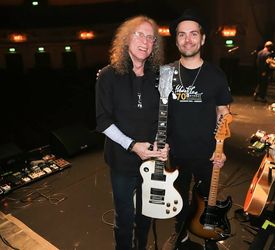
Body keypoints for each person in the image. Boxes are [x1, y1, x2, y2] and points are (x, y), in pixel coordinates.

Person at [95, 15, 169, 250]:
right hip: (122, 160)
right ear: (126, 38)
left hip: (152, 160)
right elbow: (103, 121)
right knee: (124, 219)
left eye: (150, 37)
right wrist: (133, 145)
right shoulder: (107, 76)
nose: (145, 41)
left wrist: (166, 145)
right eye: (139, 34)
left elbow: (167, 117)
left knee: (146, 216)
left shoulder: (161, 75)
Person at [162, 9, 233, 250]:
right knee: (178, 200)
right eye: (182, 35)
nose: (188, 39)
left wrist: (220, 147)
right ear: (176, 40)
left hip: (207, 153)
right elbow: (149, 102)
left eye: (193, 34)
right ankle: (181, 236)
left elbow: (223, 112)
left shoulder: (215, 74)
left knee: (206, 200)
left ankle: (206, 237)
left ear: (202, 39)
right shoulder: (166, 73)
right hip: (176, 154)